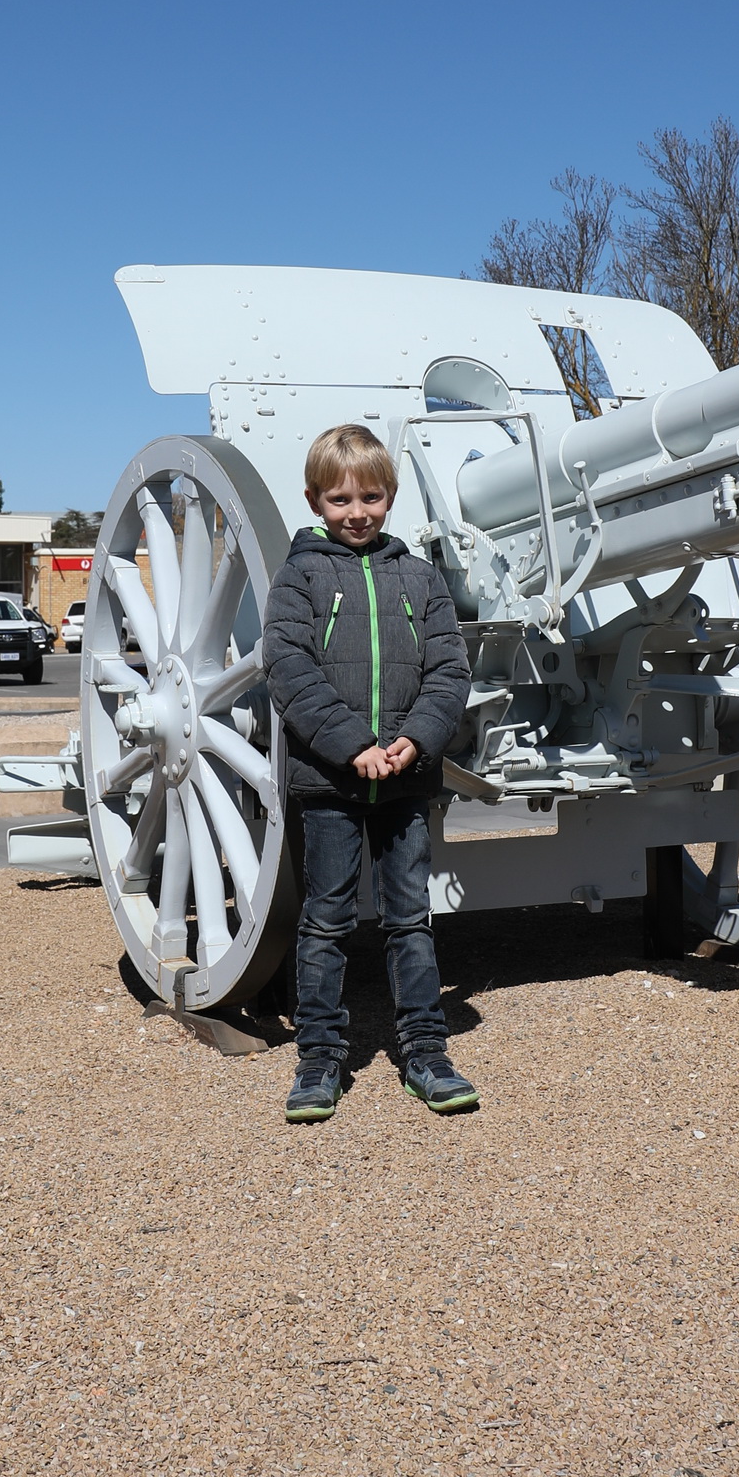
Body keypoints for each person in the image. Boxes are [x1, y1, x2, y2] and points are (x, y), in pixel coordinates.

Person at [261, 424, 475, 1123]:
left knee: (411, 919)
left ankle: (426, 1052)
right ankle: (319, 1060)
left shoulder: (419, 578)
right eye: (340, 498)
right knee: (325, 920)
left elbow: (450, 670)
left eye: (371, 496)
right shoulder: (300, 577)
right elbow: (288, 671)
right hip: (331, 782)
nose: (357, 511)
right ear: (315, 500)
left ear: (391, 496)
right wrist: (353, 745)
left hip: (407, 780)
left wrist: (415, 739)